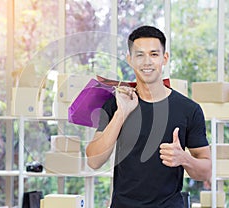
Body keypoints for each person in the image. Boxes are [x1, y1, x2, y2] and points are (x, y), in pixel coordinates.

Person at [85, 25, 212, 208]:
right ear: (130, 60)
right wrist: (121, 113)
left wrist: (184, 159)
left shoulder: (188, 109)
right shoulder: (116, 104)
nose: (147, 62)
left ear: (164, 58)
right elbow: (94, 161)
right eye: (139, 55)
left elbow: (206, 171)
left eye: (154, 54)